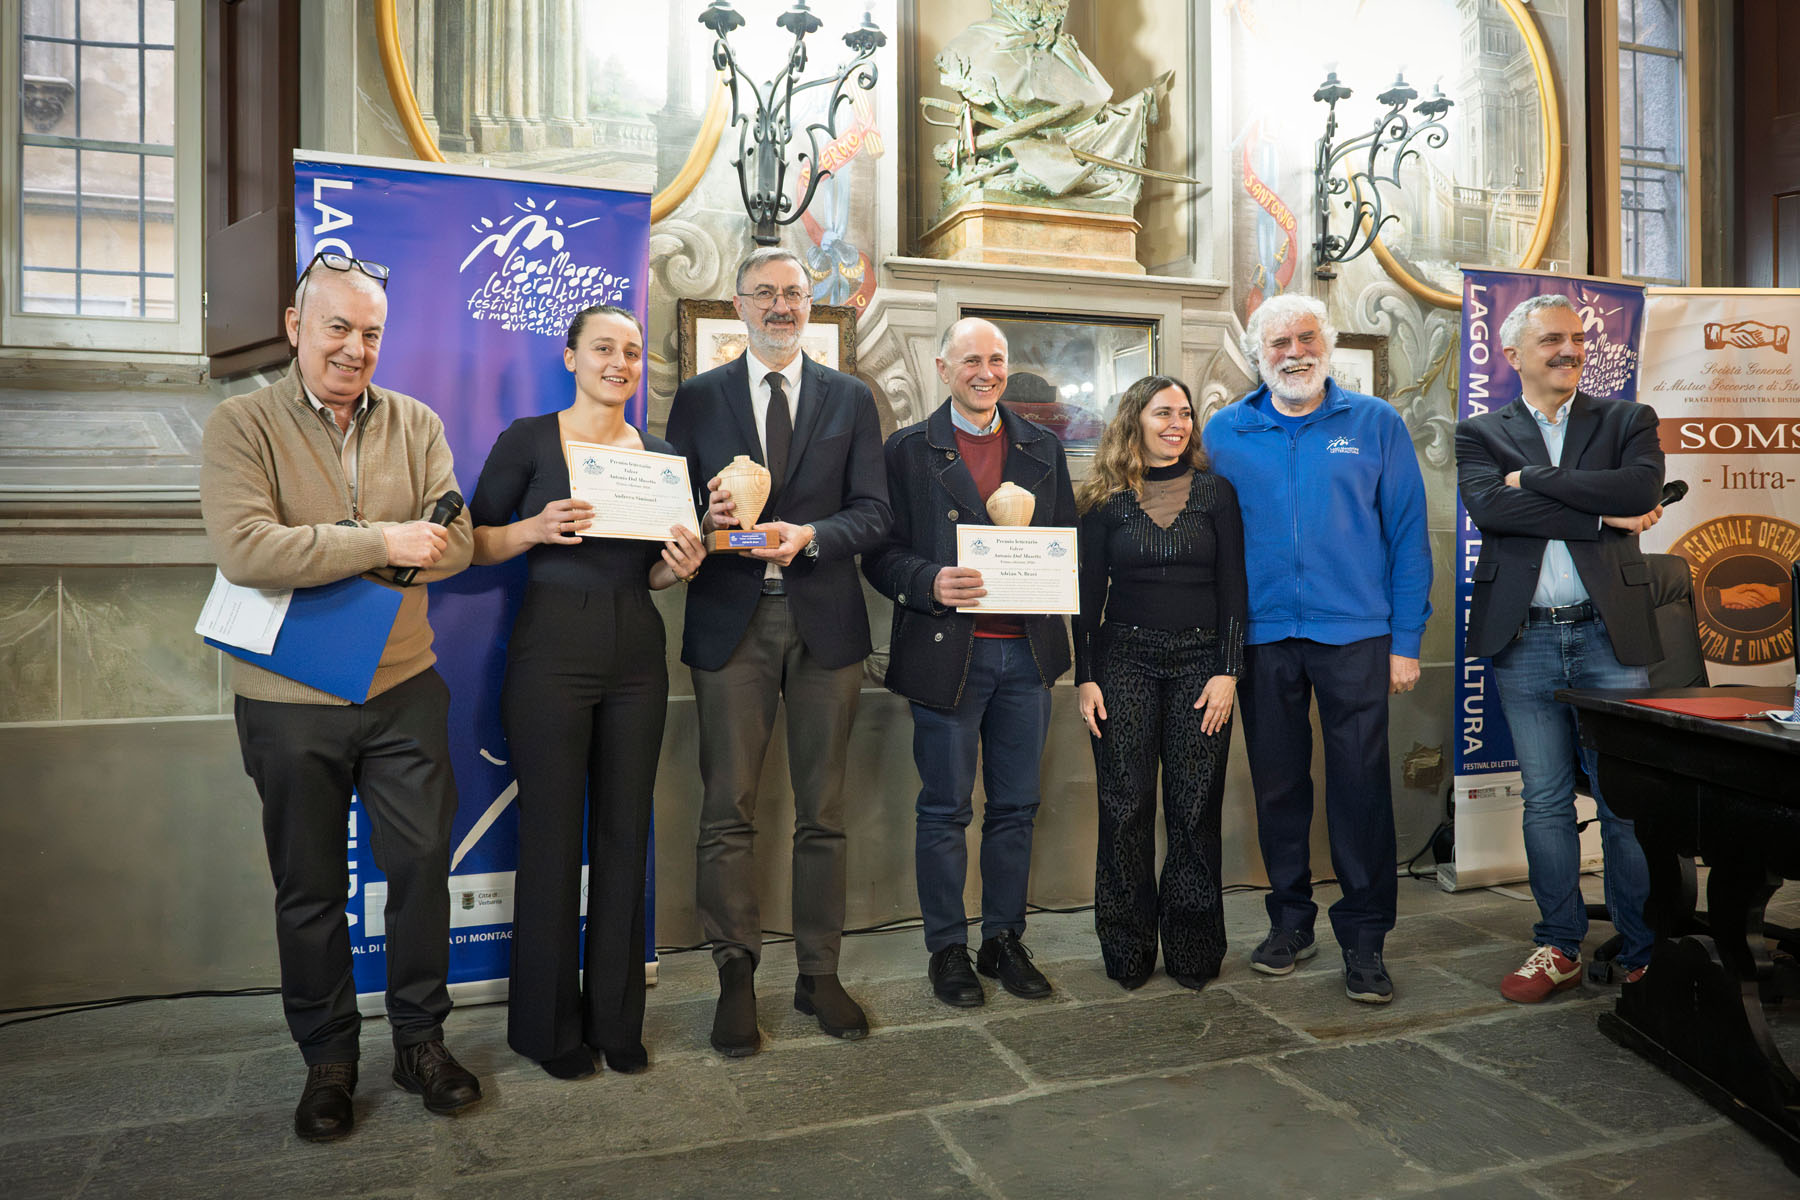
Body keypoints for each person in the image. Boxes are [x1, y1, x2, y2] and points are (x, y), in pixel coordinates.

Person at [199, 251, 478, 1140]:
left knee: (422, 870)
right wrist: (384, 539)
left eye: (371, 333)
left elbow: (460, 541)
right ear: (295, 326)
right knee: (310, 887)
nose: (355, 349)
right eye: (337, 328)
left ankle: (421, 1041)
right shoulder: (241, 426)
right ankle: (328, 1059)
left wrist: (395, 540)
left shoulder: (418, 422)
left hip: (404, 690)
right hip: (287, 700)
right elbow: (248, 550)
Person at [664, 247, 892, 1055]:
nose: (781, 306)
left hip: (826, 625)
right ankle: (734, 976)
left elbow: (874, 513)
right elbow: (671, 510)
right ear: (739, 305)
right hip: (731, 626)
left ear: (810, 302)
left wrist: (812, 537)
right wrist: (707, 509)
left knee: (822, 812)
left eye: (794, 293)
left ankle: (818, 974)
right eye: (764, 293)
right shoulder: (697, 400)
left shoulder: (850, 398)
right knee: (728, 809)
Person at [468, 305, 706, 1079]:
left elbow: (656, 573)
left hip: (637, 654)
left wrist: (682, 564)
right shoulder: (530, 441)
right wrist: (532, 529)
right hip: (550, 659)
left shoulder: (662, 456)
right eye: (604, 348)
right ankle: (546, 1030)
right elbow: (468, 542)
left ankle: (616, 1019)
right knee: (550, 840)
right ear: (571, 356)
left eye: (632, 352)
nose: (620, 362)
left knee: (624, 836)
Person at [1203, 293, 1431, 1005]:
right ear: (1258, 354)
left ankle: (1364, 940)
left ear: (1325, 346)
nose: (1294, 352)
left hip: (1356, 636)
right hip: (1262, 638)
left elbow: (1407, 536)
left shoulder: (1376, 423)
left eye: (1306, 338)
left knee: (1360, 790)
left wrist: (1406, 641)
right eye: (1279, 343)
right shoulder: (1224, 432)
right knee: (1278, 787)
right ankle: (1290, 922)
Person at [1455, 293, 1665, 1002]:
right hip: (1526, 634)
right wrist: (1603, 511)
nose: (1569, 349)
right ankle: (1559, 946)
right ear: (1513, 355)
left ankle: (1644, 950)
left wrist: (1538, 480)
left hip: (1611, 631)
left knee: (1624, 801)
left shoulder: (1627, 418)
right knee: (1545, 801)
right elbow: (1491, 508)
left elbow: (1642, 485)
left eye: (1577, 338)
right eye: (1551, 340)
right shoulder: (1480, 433)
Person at [863, 317, 1075, 1008]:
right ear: (942, 367)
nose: (986, 372)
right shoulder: (906, 450)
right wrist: (927, 581)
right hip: (947, 655)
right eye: (971, 361)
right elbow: (879, 552)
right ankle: (948, 947)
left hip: (1027, 653)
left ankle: (1003, 940)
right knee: (946, 810)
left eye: (997, 360)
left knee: (1016, 807)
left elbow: (1063, 544)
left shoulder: (1042, 445)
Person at [1074, 376, 1246, 991]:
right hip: (1123, 664)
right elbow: (1085, 597)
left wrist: (1229, 670)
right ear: (1135, 421)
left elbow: (1234, 590)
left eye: (1185, 413)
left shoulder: (1215, 493)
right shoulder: (1103, 500)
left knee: (1194, 808)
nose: (1177, 422)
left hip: (1203, 666)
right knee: (1124, 808)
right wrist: (1085, 678)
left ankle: (1194, 949)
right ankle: (1126, 948)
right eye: (1163, 412)